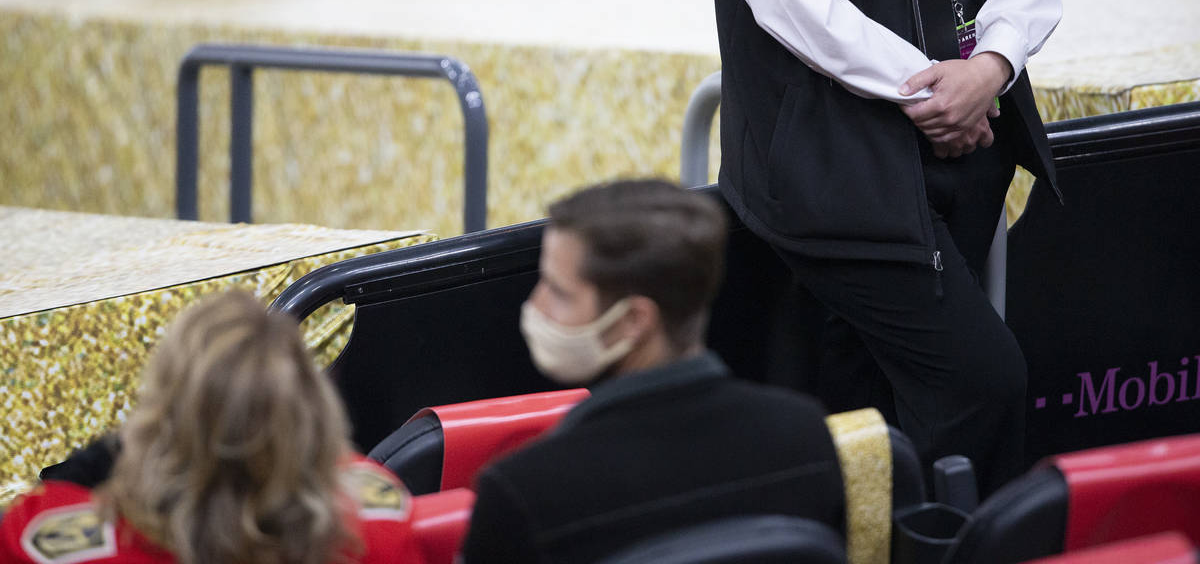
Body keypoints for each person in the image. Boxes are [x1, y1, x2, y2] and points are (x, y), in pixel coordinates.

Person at [678, 0, 1069, 495]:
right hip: (828, 167)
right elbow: (789, 0)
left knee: (866, 404)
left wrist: (991, 61)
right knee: (980, 382)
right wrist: (930, 89)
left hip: (967, 137)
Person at [460, 179, 844, 563]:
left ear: (633, 321)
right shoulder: (804, 434)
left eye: (558, 292)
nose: (535, 304)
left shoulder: (523, 493)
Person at [0, 291, 421, 564]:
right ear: (315, 412)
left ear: (158, 419)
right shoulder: (378, 524)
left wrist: (118, 456)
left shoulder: (40, 541)